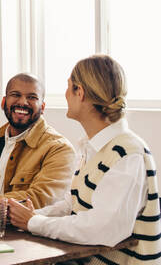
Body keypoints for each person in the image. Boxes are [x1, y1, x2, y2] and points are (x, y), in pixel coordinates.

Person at [9, 55, 161, 264]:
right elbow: (72, 205)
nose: (65, 95)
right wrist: (30, 215)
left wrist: (34, 222)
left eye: (68, 87)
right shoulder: (93, 148)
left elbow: (104, 229)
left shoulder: (128, 154)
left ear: (79, 92)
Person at [0, 73, 76, 216]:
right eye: (15, 95)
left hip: (23, 234)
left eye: (32, 97)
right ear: (3, 102)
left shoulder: (59, 149)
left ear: (42, 107)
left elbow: (39, 200)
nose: (23, 102)